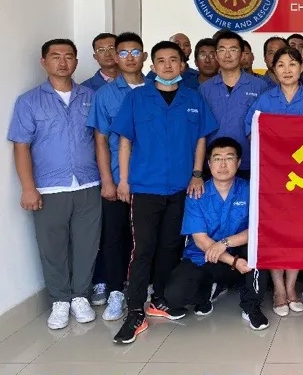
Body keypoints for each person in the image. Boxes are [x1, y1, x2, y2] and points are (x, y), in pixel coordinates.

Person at [110, 40, 218, 345]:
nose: (168, 65)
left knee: (171, 245)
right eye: (161, 60)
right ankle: (135, 311)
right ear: (152, 65)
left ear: (183, 65)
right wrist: (123, 181)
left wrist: (197, 174)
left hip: (181, 187)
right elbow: (125, 142)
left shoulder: (193, 98)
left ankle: (161, 300)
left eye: (173, 60)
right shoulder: (137, 98)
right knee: (143, 248)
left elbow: (201, 139)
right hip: (145, 186)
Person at [8, 39, 101, 330]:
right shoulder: (29, 101)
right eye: (56, 56)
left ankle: (80, 296)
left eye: (69, 56)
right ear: (44, 62)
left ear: (76, 62)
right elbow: (21, 146)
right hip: (49, 187)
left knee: (87, 245)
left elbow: (100, 141)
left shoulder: (90, 97)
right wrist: (28, 187)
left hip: (88, 183)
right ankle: (60, 299)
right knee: (52, 248)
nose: (63, 62)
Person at [245, 46, 303, 313]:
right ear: (273, 70)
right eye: (281, 65)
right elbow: (251, 133)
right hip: (273, 180)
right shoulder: (264, 101)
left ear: (301, 68)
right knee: (275, 233)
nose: (287, 70)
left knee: (298, 233)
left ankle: (291, 286)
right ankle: (279, 289)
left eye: (292, 64)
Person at [163, 137, 270, 330]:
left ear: (239, 162)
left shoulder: (250, 190)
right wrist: (232, 261)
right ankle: (206, 293)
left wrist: (225, 243)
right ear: (209, 163)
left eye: (229, 158)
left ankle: (251, 306)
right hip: (205, 257)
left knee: (258, 250)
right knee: (174, 296)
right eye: (217, 158)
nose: (223, 164)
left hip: (239, 254)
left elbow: (258, 228)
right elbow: (201, 240)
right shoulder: (197, 193)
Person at [86, 32, 148, 321]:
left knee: (146, 238)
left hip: (151, 179)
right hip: (116, 176)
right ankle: (115, 291)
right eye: (123, 53)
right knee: (114, 237)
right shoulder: (105, 95)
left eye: (135, 52)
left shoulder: (157, 88)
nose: (129, 58)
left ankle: (145, 287)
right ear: (115, 57)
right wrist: (107, 181)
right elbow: (100, 141)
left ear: (144, 56)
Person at [199, 31, 267, 181]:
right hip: (213, 165)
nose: (227, 55)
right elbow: (200, 131)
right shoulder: (204, 89)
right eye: (222, 50)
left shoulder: (260, 87)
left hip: (250, 163)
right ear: (216, 55)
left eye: (233, 50)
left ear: (242, 55)